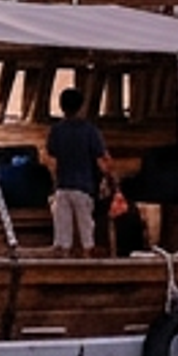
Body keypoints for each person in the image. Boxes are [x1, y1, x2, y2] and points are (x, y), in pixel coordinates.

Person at [46, 86, 106, 253]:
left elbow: (51, 159)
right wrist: (112, 179)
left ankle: (63, 263)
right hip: (84, 188)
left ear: (61, 107)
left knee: (62, 237)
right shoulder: (90, 131)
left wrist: (54, 183)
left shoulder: (56, 130)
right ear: (81, 107)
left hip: (63, 187)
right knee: (87, 233)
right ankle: (87, 261)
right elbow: (102, 160)